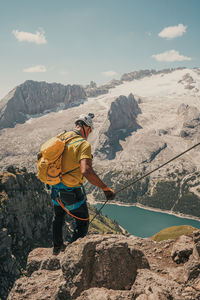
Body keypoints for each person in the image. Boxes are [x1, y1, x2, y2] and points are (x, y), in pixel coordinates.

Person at [50, 113, 115, 255]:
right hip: (72, 191)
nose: (90, 133)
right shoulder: (83, 144)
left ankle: (57, 248)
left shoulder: (62, 138)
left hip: (55, 187)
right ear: (86, 127)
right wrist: (105, 188)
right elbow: (86, 170)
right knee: (83, 222)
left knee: (58, 217)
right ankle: (71, 255)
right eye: (90, 130)